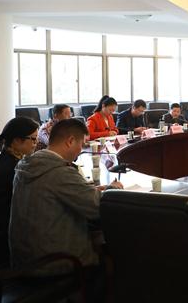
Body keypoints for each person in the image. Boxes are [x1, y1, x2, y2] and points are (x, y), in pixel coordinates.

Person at [10, 119, 122, 278]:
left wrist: (90, 190)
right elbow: (98, 208)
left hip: (26, 258)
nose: (81, 150)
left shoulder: (27, 165)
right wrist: (113, 189)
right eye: (81, 144)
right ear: (70, 141)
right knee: (115, 254)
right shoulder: (60, 172)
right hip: (54, 263)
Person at [0, 117, 39, 265]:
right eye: (33, 139)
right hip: (6, 237)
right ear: (17, 141)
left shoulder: (9, 160)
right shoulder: (12, 168)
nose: (36, 144)